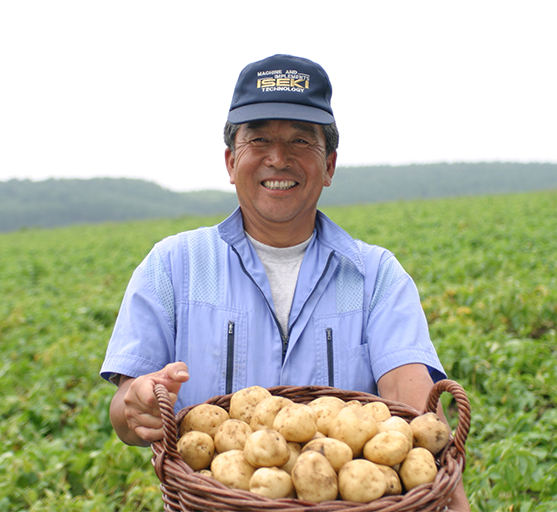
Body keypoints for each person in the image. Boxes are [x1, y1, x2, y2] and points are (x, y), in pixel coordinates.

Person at [100, 54, 470, 510]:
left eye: (300, 140)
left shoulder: (376, 276)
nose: (279, 158)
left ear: (330, 165)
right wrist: (135, 405)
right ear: (231, 161)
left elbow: (416, 418)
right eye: (259, 139)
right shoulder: (175, 265)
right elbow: (124, 411)